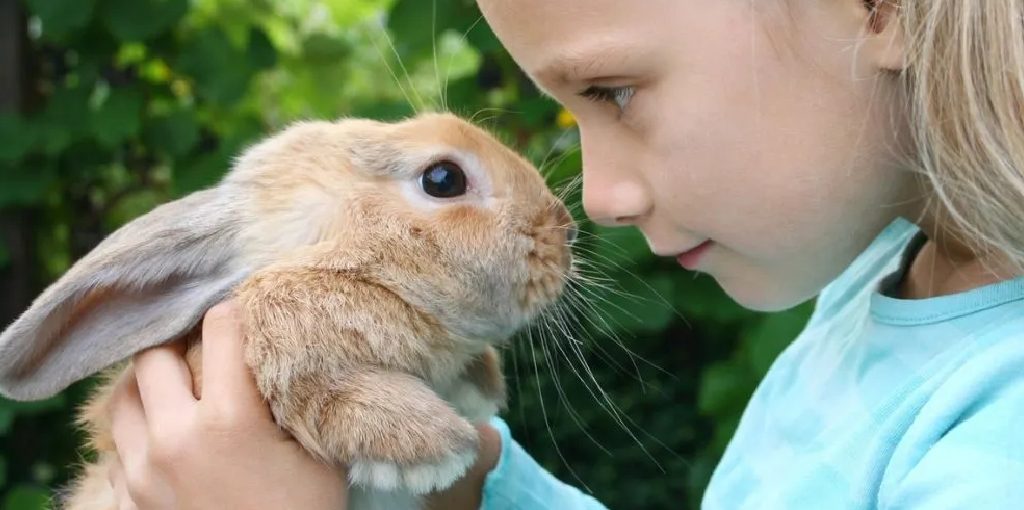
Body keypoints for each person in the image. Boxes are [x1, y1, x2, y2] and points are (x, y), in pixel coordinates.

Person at [105, 0, 1024, 508]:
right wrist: (479, 488)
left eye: (615, 92)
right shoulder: (881, 284)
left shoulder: (999, 438)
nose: (600, 198)